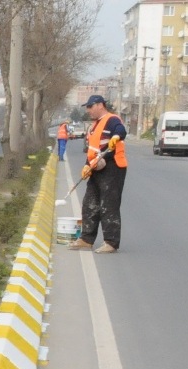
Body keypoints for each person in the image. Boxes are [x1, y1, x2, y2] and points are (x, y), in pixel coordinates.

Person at [70, 94, 128, 255]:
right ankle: (86, 239)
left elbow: (121, 130)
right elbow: (94, 150)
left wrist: (116, 136)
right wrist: (87, 166)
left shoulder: (111, 119)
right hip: (96, 167)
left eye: (90, 106)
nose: (88, 110)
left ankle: (111, 242)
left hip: (112, 167)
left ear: (100, 105)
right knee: (90, 203)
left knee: (108, 206)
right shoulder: (95, 125)